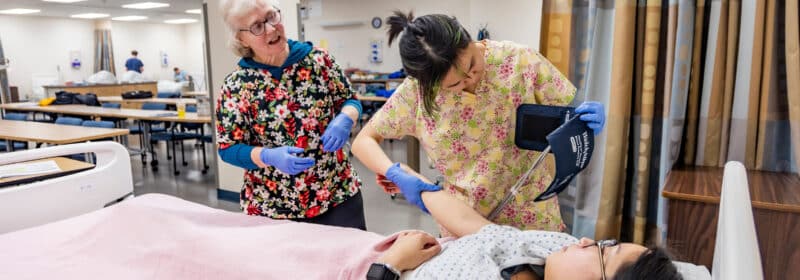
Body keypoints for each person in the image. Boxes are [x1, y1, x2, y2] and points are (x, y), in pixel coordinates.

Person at [352, 11, 606, 234]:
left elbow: (566, 108)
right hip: (464, 223)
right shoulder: (416, 95)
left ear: (469, 39)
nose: (471, 80)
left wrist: (583, 118)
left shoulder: (519, 60)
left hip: (533, 215)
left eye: (472, 64)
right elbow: (363, 141)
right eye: (455, 84)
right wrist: (393, 172)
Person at [367, 169, 682, 280]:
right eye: (606, 243)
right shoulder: (557, 250)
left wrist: (389, 266)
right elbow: (476, 227)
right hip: (378, 247)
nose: (587, 241)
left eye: (603, 254)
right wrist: (421, 188)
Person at [216, 0, 366, 229]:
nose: (270, 28)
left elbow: (350, 99)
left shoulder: (318, 60)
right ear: (241, 39)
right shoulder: (236, 86)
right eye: (257, 26)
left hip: (337, 194)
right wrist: (267, 156)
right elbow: (228, 148)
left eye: (271, 16)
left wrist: (346, 118)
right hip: (272, 208)